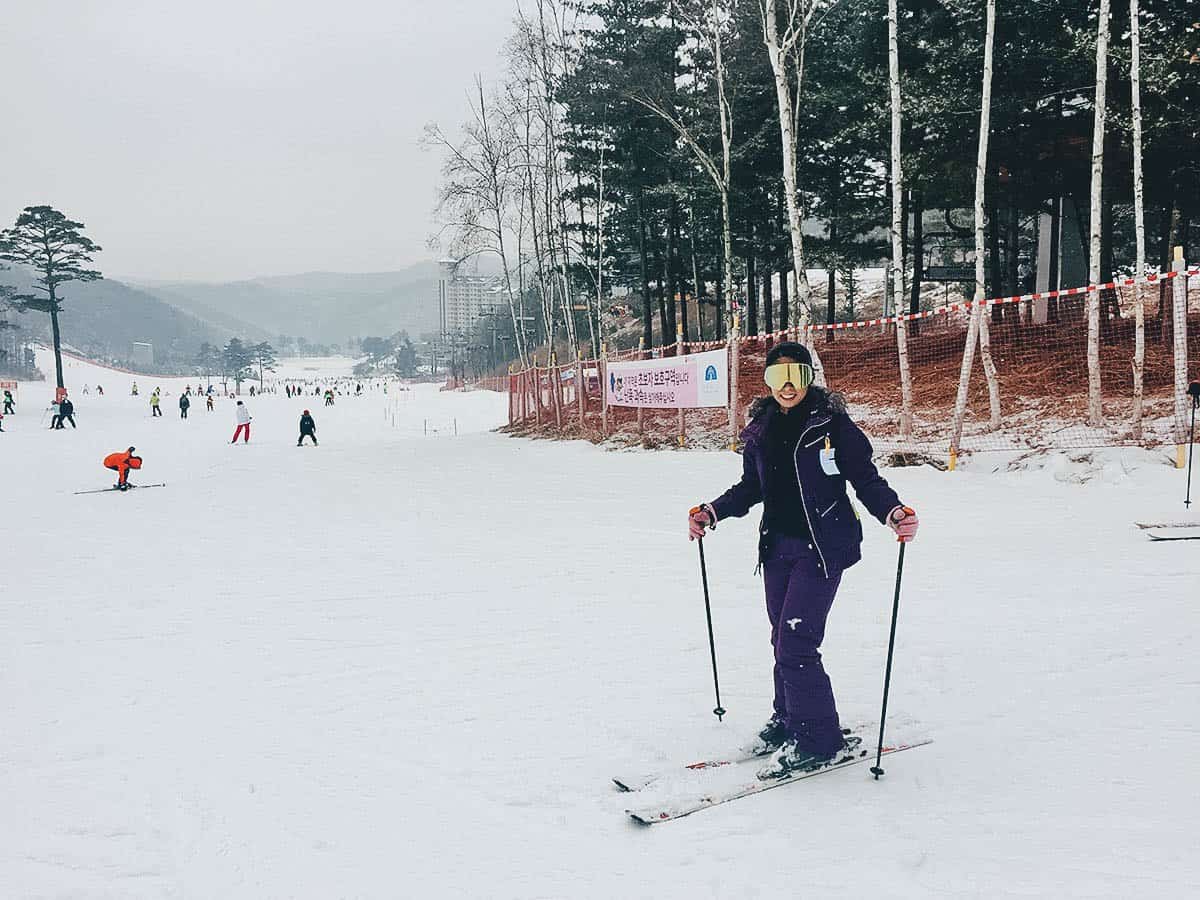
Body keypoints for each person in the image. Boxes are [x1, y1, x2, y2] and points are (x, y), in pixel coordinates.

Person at [687, 341, 919, 780]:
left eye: (795, 375)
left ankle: (818, 740)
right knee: (781, 637)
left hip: (823, 548)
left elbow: (865, 480)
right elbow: (750, 487)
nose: (787, 386)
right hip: (778, 548)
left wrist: (893, 512)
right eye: (777, 377)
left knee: (797, 642)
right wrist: (712, 511)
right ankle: (789, 717)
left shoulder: (832, 425)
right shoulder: (761, 427)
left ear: (810, 377)